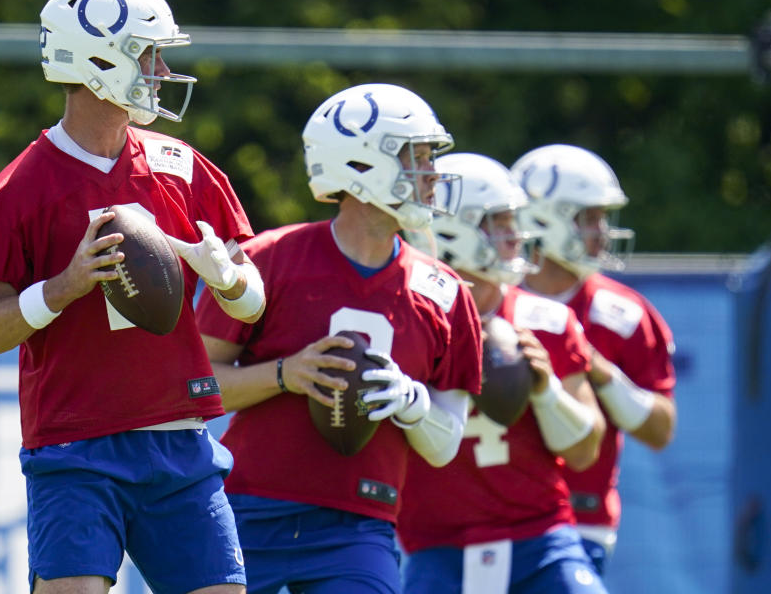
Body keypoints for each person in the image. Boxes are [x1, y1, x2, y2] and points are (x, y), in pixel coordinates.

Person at [0, 0, 265, 594]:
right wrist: (64, 286)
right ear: (100, 60)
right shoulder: (20, 189)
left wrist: (225, 276)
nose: (159, 70)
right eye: (147, 55)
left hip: (180, 440)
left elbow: (251, 301)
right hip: (77, 447)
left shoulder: (181, 167)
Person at [195, 83, 483, 594]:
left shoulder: (445, 294)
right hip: (245, 509)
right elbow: (191, 385)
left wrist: (411, 402)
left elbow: (444, 446)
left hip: (359, 524)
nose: (433, 174)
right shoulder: (271, 259)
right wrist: (286, 374)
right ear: (362, 165)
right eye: (417, 157)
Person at [397, 153, 609, 594]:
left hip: (541, 537)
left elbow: (586, 450)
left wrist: (546, 390)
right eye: (500, 223)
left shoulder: (547, 320)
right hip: (436, 544)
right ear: (455, 227)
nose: (516, 237)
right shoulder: (405, 319)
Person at [509, 143, 677, 574]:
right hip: (489, 514)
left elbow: (660, 430)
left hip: (582, 519)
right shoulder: (489, 300)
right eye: (590, 218)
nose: (602, 232)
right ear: (545, 219)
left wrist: (599, 371)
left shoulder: (623, 314)